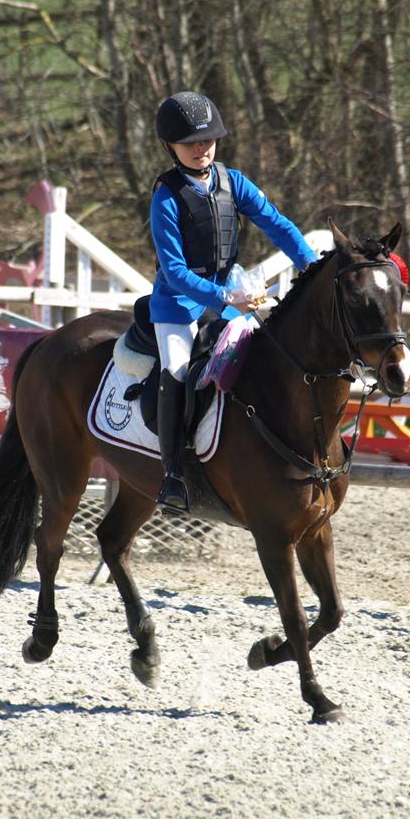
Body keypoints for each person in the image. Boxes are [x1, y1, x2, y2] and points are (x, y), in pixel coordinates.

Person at [149, 90, 320, 515]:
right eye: (190, 143)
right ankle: (172, 474)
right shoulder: (166, 198)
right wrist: (226, 295)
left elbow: (278, 226)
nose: (201, 149)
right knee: (176, 371)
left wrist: (311, 266)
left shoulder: (234, 182)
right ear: (171, 147)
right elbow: (174, 272)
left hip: (231, 302)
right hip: (178, 307)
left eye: (207, 140)